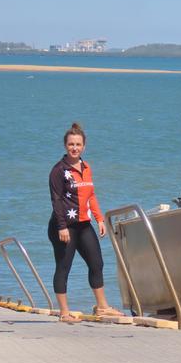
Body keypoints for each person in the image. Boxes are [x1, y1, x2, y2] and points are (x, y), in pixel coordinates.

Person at [48, 123, 123, 323]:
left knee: (97, 263)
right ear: (65, 146)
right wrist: (62, 227)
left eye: (78, 144)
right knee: (64, 267)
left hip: (83, 224)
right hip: (64, 226)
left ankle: (103, 307)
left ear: (84, 146)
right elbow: (56, 200)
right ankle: (64, 313)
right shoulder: (59, 170)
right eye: (71, 144)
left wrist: (99, 219)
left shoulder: (86, 167)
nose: (74, 148)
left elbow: (91, 195)